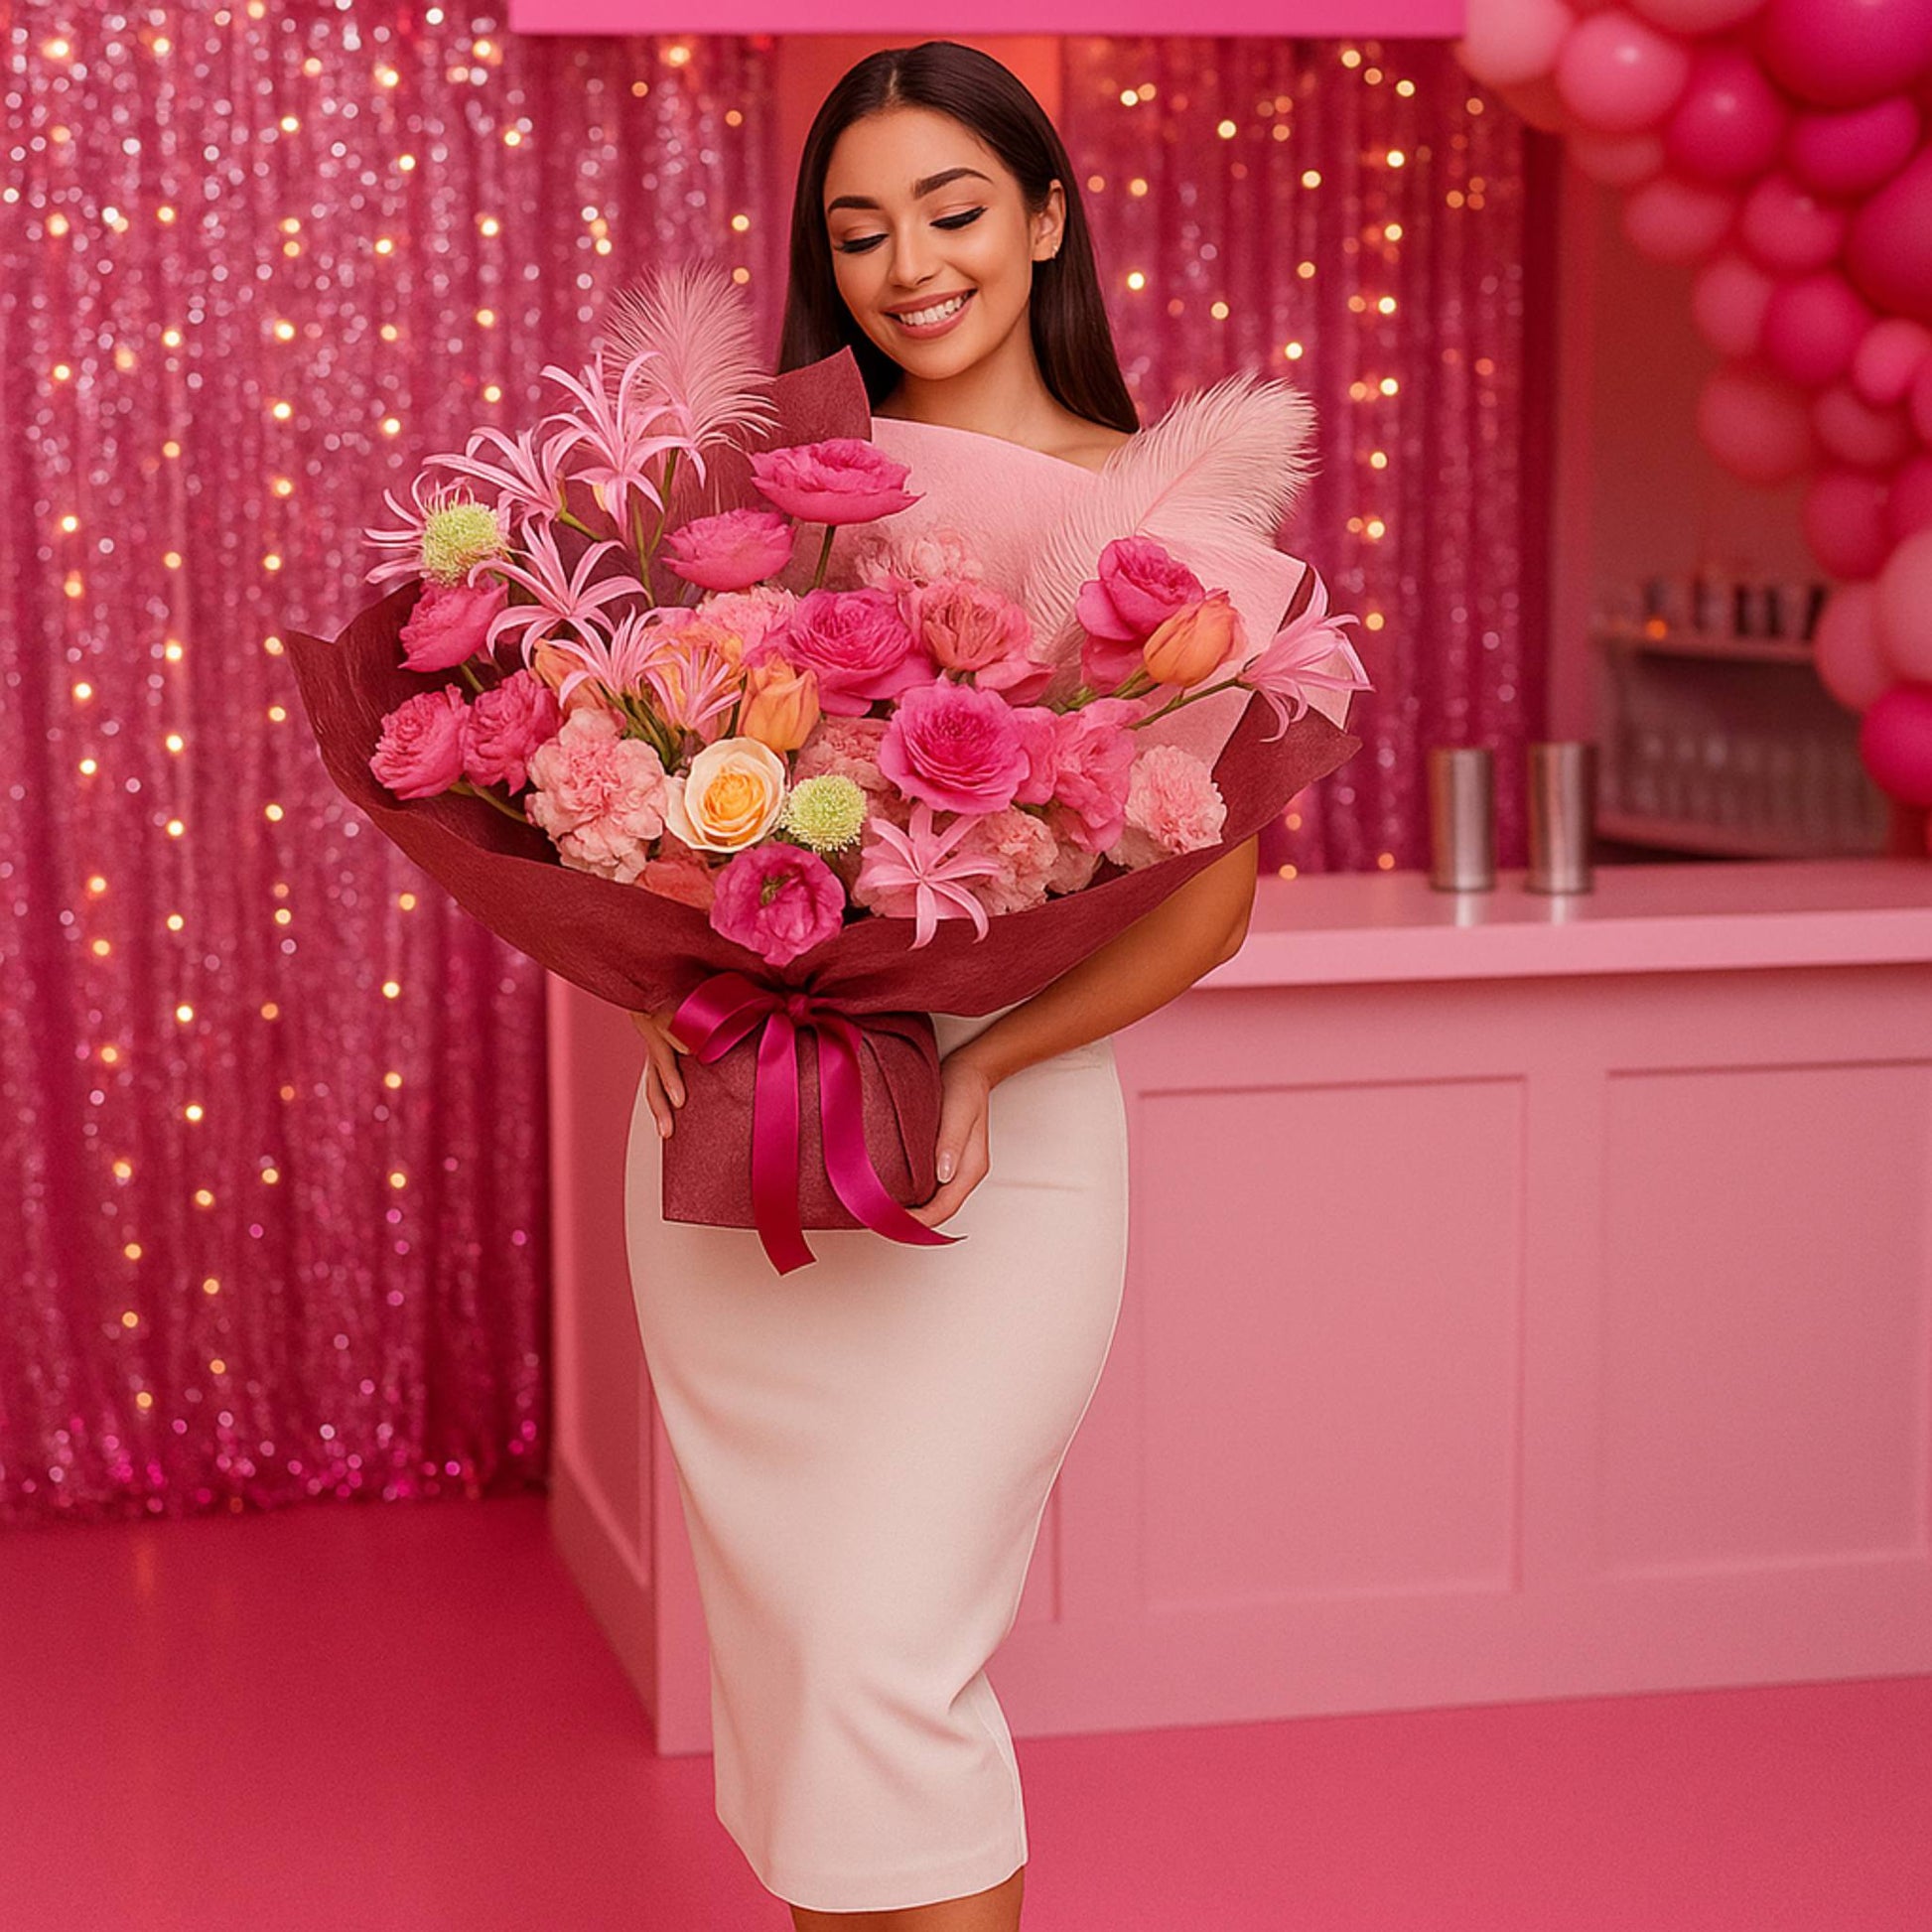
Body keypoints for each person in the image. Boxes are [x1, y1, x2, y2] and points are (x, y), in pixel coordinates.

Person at [624, 41, 1266, 1931]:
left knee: (886, 1656)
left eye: (953, 207)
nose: (909, 262)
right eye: (859, 229)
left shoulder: (1173, 529)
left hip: (997, 1154)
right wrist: (660, 989)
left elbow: (1207, 906)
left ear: (1046, 217)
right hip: (746, 1133)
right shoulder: (777, 508)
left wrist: (989, 1065)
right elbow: (651, 804)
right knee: (813, 1683)